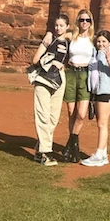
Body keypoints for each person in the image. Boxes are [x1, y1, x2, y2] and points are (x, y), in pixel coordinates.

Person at [32, 13, 70, 166]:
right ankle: (46, 153)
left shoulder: (69, 42)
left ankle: (39, 150)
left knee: (53, 117)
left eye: (61, 25)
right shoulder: (49, 39)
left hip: (60, 78)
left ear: (67, 27)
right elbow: (35, 60)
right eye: (56, 25)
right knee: (43, 114)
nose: (58, 28)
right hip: (44, 77)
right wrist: (50, 61)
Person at [81, 30, 110, 167]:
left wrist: (109, 57)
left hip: (108, 92)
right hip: (98, 91)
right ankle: (103, 154)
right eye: (99, 41)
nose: (101, 44)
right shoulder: (95, 53)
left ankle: (99, 154)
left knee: (102, 124)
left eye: (104, 41)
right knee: (101, 122)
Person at [62, 8, 95, 162]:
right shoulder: (70, 36)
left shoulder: (93, 39)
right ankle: (74, 146)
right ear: (77, 21)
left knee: (81, 115)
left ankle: (70, 144)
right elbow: (56, 39)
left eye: (87, 20)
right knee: (71, 113)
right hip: (71, 73)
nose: (84, 23)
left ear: (91, 22)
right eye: (82, 20)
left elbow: (107, 47)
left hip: (85, 75)